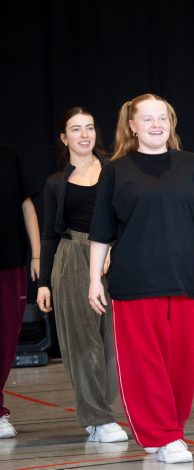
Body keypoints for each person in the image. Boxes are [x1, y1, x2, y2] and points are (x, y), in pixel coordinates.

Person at [88, 94, 194, 463]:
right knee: (145, 364)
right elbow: (102, 232)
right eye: (148, 119)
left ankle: (169, 430)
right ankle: (163, 435)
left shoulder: (193, 166)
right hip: (135, 283)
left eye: (163, 118)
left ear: (171, 123)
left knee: (181, 365)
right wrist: (94, 279)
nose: (156, 125)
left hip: (185, 281)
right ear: (132, 126)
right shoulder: (116, 171)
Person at [36, 107, 127, 443]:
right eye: (76, 129)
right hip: (73, 257)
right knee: (83, 342)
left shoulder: (115, 171)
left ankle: (101, 409)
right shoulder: (56, 183)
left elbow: (126, 216)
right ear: (64, 138)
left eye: (89, 128)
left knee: (114, 341)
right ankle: (98, 417)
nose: (84, 135)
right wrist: (43, 282)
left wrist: (112, 249)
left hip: (113, 259)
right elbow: (49, 234)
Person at [0, 145, 40, 439]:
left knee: (5, 340)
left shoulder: (8, 155)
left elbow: (26, 205)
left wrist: (37, 254)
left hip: (9, 260)